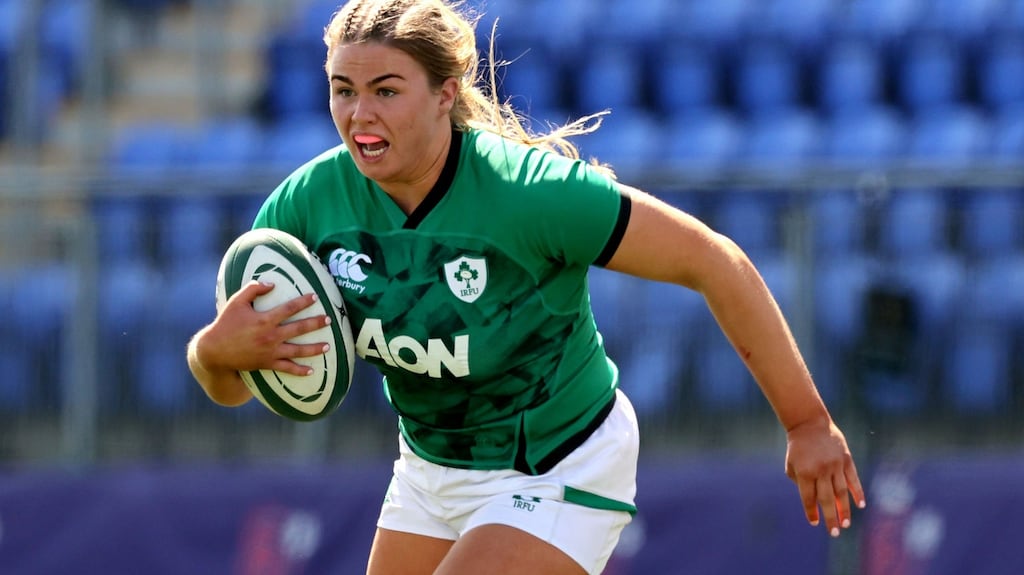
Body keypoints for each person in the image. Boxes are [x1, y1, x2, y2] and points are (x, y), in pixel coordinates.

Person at [187, 0, 866, 573]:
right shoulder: (306, 207)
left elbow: (713, 261)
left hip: (559, 463)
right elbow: (236, 384)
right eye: (343, 89)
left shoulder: (529, 196)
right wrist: (214, 354)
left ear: (445, 93)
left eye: (386, 90)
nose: (360, 115)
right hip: (429, 470)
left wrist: (807, 423)